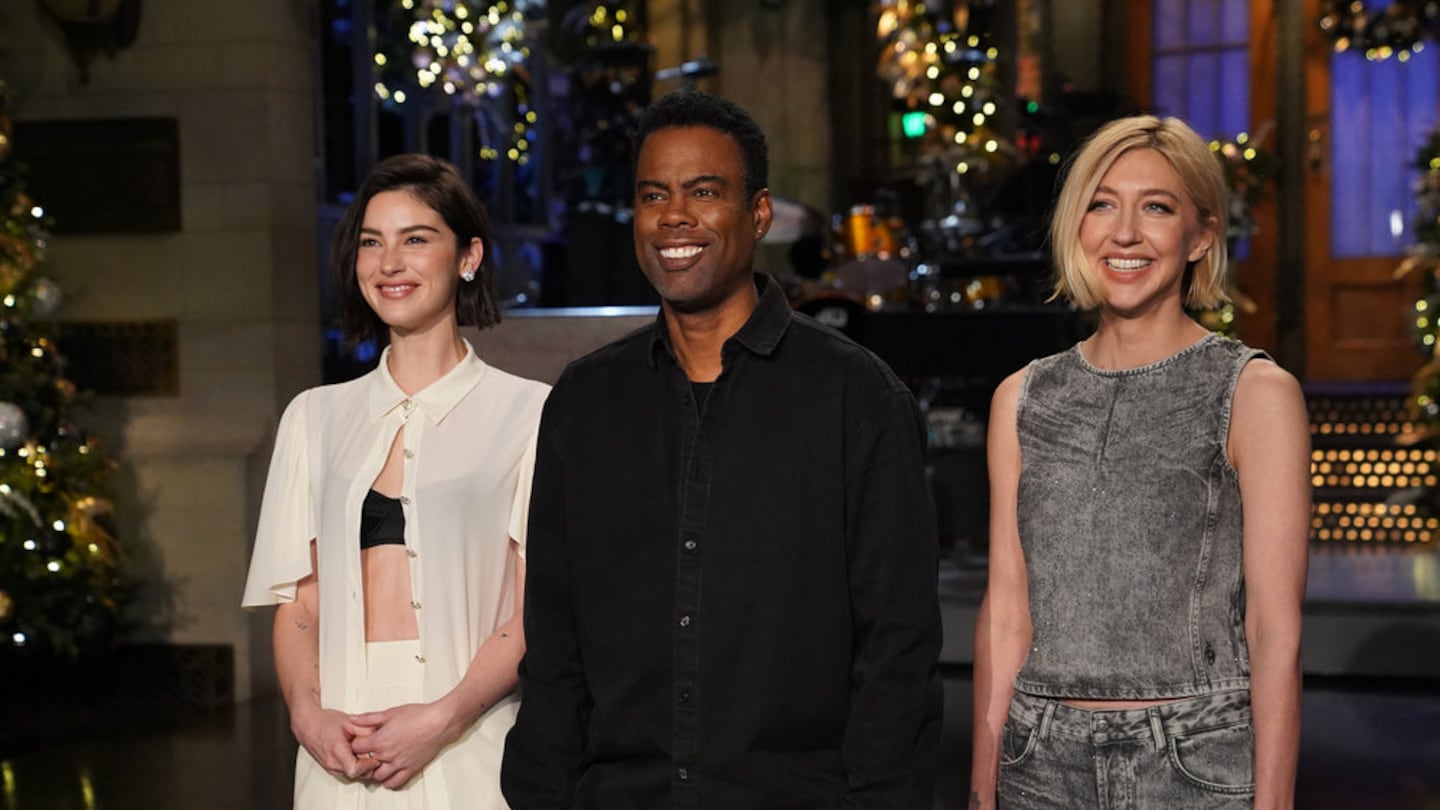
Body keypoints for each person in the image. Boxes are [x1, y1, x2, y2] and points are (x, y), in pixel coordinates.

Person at [501, 90, 943, 809]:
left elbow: (898, 649)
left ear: (757, 213)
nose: (675, 215)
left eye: (704, 192)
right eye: (654, 195)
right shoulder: (585, 404)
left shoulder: (854, 397)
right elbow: (554, 642)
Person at [970, 115, 1311, 809]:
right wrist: (982, 791)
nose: (1124, 233)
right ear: (1076, 225)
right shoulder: (1022, 398)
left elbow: (1275, 627)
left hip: (1194, 765)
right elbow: (1007, 611)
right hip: (1039, 765)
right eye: (1102, 203)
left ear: (1202, 234)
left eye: (1156, 207)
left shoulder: (1253, 392)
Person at [242, 154, 549, 809]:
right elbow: (298, 604)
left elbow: (535, 611)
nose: (390, 263)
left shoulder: (531, 414)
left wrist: (443, 717)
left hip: (473, 739)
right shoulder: (313, 418)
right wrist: (307, 716)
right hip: (336, 751)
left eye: (416, 239)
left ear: (468, 257)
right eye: (371, 243)